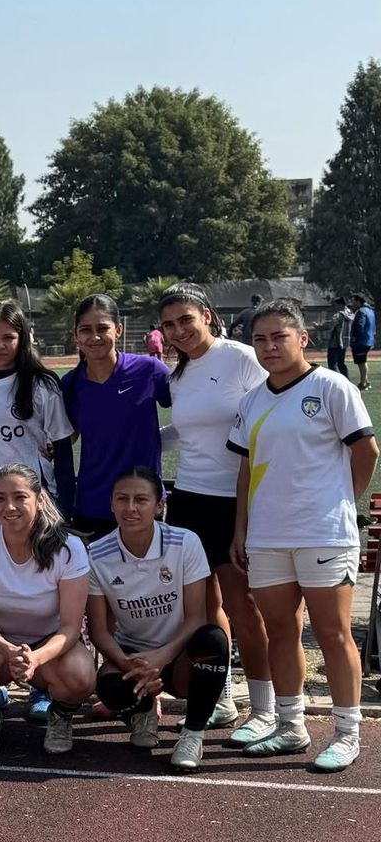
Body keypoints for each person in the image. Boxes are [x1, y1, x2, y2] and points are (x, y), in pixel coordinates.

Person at [229, 299, 378, 772]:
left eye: (279, 337)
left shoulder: (331, 386)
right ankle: (291, 726)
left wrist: (340, 502)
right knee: (281, 630)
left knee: (332, 634)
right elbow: (246, 467)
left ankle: (347, 733)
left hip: (323, 534)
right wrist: (241, 529)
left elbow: (366, 452)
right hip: (267, 536)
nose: (269, 347)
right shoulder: (252, 399)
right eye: (260, 338)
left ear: (302, 338)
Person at [156, 283, 272, 739]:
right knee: (204, 606)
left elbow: (271, 415)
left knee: (244, 607)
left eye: (186, 319)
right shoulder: (178, 374)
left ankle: (264, 707)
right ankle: (219, 694)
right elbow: (185, 433)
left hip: (235, 500)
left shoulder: (242, 358)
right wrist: (131, 442)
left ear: (207, 315)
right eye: (169, 324)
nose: (179, 330)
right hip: (187, 499)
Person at [87, 467, 229, 773]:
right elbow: (99, 632)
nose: (130, 508)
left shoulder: (185, 542)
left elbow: (197, 618)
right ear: (111, 504)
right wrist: (132, 666)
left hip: (177, 656)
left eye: (141, 500)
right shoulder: (97, 554)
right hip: (132, 656)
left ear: (159, 505)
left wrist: (160, 659)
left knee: (213, 639)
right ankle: (144, 710)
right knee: (110, 689)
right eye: (122, 499)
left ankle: (192, 735)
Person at [0, 464, 95, 755]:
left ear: (39, 500)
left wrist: (34, 658)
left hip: (49, 647)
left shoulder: (70, 548)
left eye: (19, 497)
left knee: (81, 673)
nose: (9, 507)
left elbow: (70, 627)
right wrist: (10, 652)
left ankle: (61, 716)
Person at [0, 302, 75, 532]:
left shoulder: (42, 384)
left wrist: (65, 510)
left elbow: (62, 448)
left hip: (32, 506)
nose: (0, 345)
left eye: (8, 337)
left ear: (22, 339)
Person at [59, 294, 171, 538]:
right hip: (92, 504)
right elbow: (69, 435)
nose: (94, 337)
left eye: (102, 328)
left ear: (119, 329)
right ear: (76, 336)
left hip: (143, 502)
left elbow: (189, 412)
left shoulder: (149, 371)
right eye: (86, 330)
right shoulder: (70, 384)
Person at [349, 293, 374, 390]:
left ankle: (363, 383)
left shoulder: (361, 311)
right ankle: (366, 381)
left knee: (361, 362)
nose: (352, 303)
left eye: (353, 301)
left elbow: (360, 325)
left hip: (361, 340)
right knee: (362, 361)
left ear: (358, 301)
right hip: (368, 339)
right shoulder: (370, 310)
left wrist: (354, 337)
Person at [325, 300, 354, 380]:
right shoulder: (350, 314)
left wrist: (319, 326)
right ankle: (347, 381)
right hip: (345, 342)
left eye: (336, 304)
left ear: (341, 304)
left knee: (332, 365)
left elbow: (330, 325)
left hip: (335, 342)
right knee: (341, 364)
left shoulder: (338, 315)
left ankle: (336, 383)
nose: (335, 307)